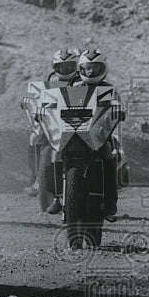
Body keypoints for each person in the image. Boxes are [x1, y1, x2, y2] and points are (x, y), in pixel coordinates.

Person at [46, 48, 119, 220]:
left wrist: (118, 110)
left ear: (103, 69)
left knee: (108, 152)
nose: (91, 71)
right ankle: (57, 196)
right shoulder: (74, 87)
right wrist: (48, 109)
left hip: (99, 134)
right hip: (72, 131)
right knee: (55, 153)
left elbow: (117, 107)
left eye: (95, 67)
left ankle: (110, 201)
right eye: (87, 68)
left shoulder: (109, 89)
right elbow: (59, 103)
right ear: (81, 69)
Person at [27, 48, 81, 196]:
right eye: (61, 67)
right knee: (35, 137)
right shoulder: (51, 81)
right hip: (55, 122)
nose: (65, 70)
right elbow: (38, 97)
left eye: (69, 66)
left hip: (78, 121)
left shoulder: (82, 82)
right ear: (55, 67)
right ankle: (36, 176)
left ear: (76, 66)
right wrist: (30, 102)